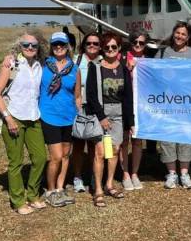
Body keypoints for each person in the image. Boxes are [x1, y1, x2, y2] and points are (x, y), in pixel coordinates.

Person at [0, 29, 48, 215]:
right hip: (14, 118)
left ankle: (33, 195)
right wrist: (8, 118)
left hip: (33, 118)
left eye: (34, 45)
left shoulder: (40, 65)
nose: (30, 48)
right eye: (26, 45)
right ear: (20, 47)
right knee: (16, 161)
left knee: (39, 158)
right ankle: (17, 200)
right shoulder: (11, 64)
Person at [79, 32, 135, 207]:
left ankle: (109, 184)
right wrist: (102, 117)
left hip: (118, 113)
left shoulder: (123, 69)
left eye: (114, 47)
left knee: (115, 150)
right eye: (107, 47)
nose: (110, 50)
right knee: (101, 153)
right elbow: (91, 95)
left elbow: (127, 96)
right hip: (100, 113)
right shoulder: (95, 67)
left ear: (119, 48)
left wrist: (130, 121)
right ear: (103, 49)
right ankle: (98, 190)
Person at [155, 21, 191, 189]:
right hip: (166, 103)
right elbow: (153, 73)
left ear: (188, 37)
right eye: (177, 33)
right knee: (168, 137)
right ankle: (172, 174)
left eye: (183, 34)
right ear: (173, 33)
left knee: (185, 136)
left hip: (187, 103)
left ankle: (184, 173)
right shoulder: (163, 52)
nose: (180, 36)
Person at [40, 32, 79, 208]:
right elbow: (22, 56)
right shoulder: (44, 64)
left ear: (67, 46)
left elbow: (77, 95)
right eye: (55, 44)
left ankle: (60, 187)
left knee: (65, 154)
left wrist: (80, 114)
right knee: (55, 157)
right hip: (49, 116)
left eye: (61, 44)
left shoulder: (74, 69)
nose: (58, 47)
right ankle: (50, 191)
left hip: (69, 117)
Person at [71, 31, 102, 193]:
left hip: (97, 109)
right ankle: (77, 176)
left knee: (93, 144)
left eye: (95, 44)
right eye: (89, 43)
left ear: (100, 46)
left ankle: (93, 175)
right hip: (78, 106)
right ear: (84, 45)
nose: (92, 46)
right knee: (78, 144)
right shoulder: (76, 60)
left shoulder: (104, 61)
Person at [119, 30, 150, 191]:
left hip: (141, 105)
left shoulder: (148, 60)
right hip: (124, 104)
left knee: (137, 141)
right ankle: (125, 174)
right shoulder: (122, 57)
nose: (138, 45)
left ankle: (135, 174)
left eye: (141, 43)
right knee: (124, 140)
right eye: (135, 42)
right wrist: (128, 69)